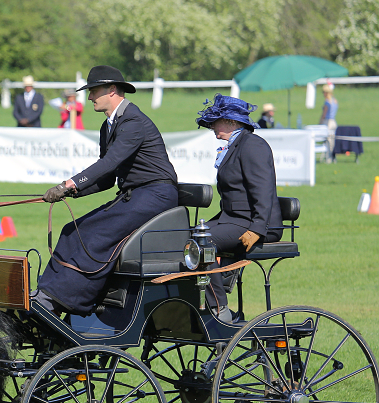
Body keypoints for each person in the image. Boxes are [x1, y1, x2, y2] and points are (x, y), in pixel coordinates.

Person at [37, 65, 178, 316]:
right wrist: (72, 193)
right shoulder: (109, 126)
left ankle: (69, 300)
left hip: (156, 195)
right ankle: (47, 292)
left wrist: (68, 184)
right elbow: (107, 179)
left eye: (93, 91)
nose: (90, 97)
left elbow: (109, 162)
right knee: (72, 230)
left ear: (112, 90)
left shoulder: (133, 121)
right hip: (134, 195)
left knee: (94, 234)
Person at [195, 95, 283, 322]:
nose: (213, 126)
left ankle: (219, 309)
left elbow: (263, 190)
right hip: (234, 219)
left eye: (217, 121)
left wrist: (257, 228)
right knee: (189, 235)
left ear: (233, 122)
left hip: (254, 223)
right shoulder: (234, 145)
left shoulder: (253, 145)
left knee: (204, 241)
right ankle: (211, 286)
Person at [319, 84, 338, 162]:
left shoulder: (327, 102)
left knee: (328, 140)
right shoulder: (335, 101)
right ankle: (331, 156)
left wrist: (320, 123)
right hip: (333, 121)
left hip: (328, 122)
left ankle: (329, 157)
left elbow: (324, 114)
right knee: (332, 140)